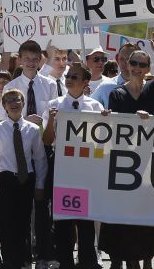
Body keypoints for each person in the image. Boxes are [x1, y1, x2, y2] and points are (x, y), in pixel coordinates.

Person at [100, 30, 154, 269]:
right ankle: (124, 258)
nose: (137, 67)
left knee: (147, 212)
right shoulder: (116, 94)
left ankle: (148, 259)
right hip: (124, 162)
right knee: (124, 213)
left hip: (149, 160)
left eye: (142, 64)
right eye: (134, 63)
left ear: (147, 67)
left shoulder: (152, 89)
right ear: (127, 65)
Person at [42, 63, 104, 269]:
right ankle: (65, 262)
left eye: (75, 77)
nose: (69, 79)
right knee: (63, 220)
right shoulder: (54, 104)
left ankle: (87, 261)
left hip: (86, 169)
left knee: (86, 219)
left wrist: (106, 121)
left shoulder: (95, 107)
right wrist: (51, 120)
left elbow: (103, 139)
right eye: (68, 76)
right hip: (62, 169)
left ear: (86, 82)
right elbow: (47, 140)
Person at [0, 89, 48, 269]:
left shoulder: (32, 130)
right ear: (5, 106)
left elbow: (39, 158)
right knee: (7, 222)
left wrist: (39, 184)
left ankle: (24, 259)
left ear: (23, 103)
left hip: (26, 179)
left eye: (17, 99)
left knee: (24, 221)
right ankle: (9, 259)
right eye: (9, 100)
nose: (14, 103)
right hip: (4, 179)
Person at [91, 42, 139, 108]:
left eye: (129, 59)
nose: (125, 63)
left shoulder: (148, 89)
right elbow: (89, 112)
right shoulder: (105, 87)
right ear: (117, 59)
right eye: (122, 59)